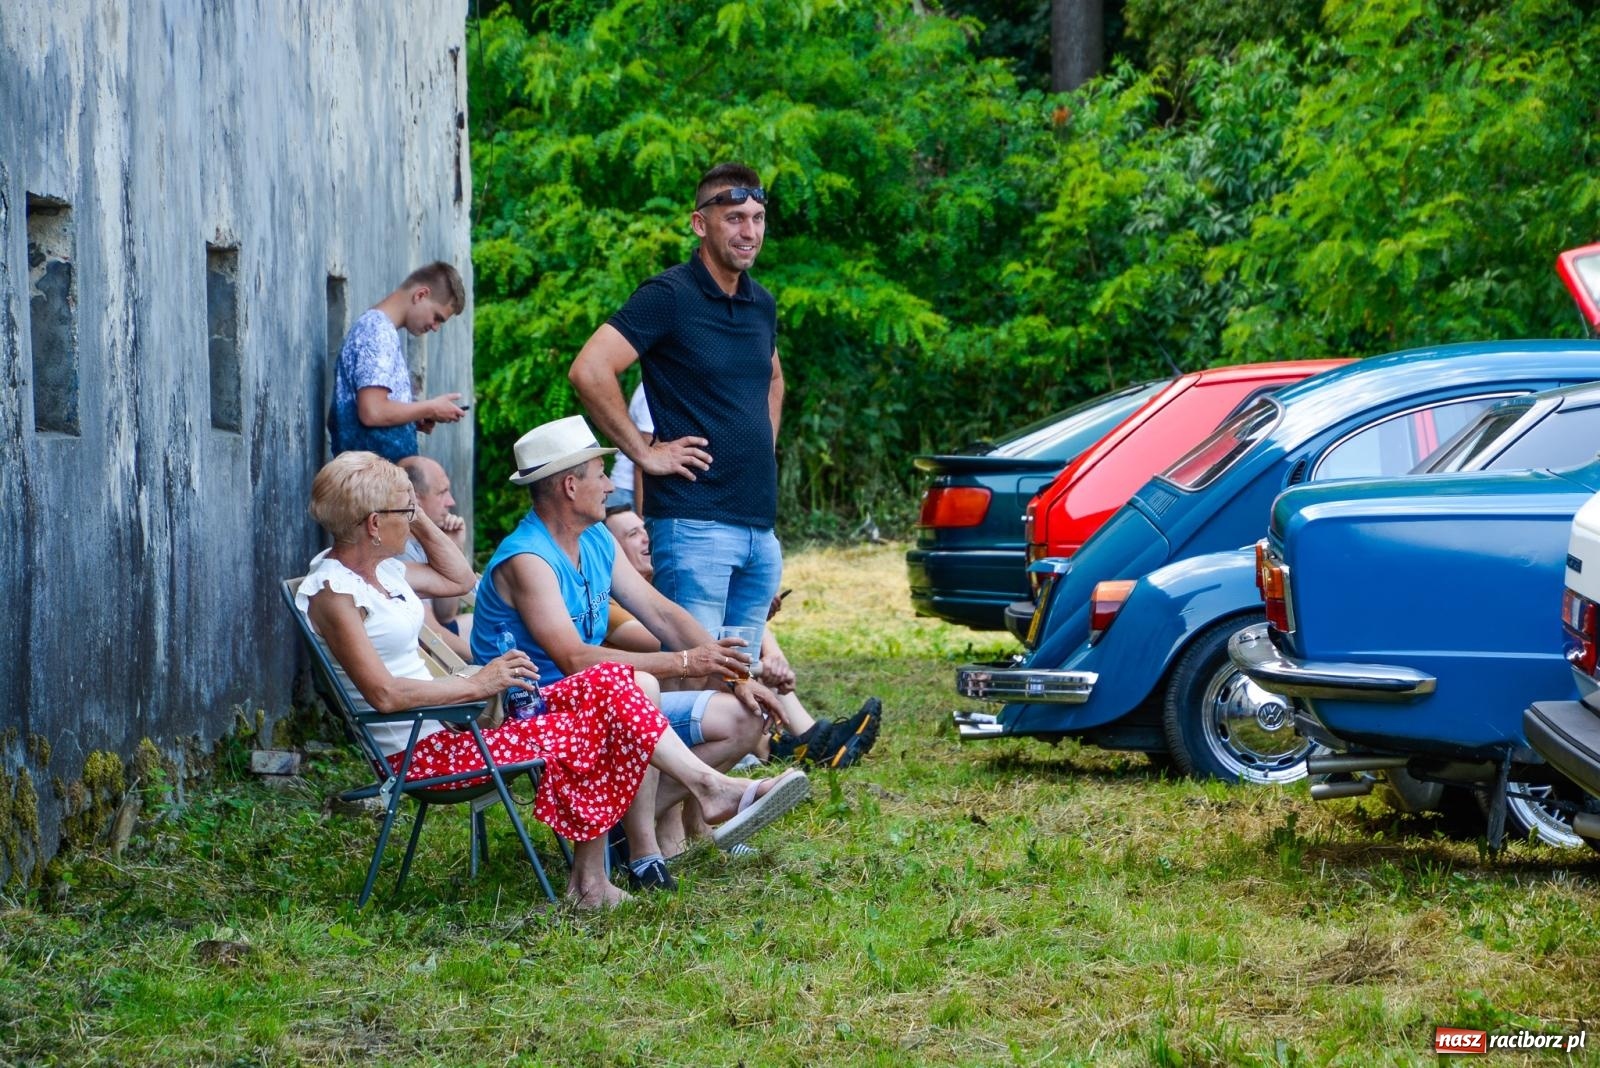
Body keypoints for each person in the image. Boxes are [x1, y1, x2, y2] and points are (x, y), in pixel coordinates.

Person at [298, 451, 809, 909]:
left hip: (456, 727)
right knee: (598, 712)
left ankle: (684, 810)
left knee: (611, 686)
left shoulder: (384, 572)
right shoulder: (334, 593)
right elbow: (384, 695)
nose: (410, 521)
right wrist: (479, 685)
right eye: (401, 514)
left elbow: (457, 579)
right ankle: (611, 867)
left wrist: (420, 518)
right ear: (372, 524)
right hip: (424, 748)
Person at [470, 416, 793, 878]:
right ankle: (655, 842)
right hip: (529, 712)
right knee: (638, 685)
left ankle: (629, 826)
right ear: (568, 485)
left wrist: (738, 676)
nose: (608, 485)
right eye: (601, 474)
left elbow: (660, 612)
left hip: (598, 702)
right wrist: (684, 661)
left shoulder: (596, 538)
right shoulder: (529, 558)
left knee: (743, 717)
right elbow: (573, 659)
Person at [569, 162, 783, 653]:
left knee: (741, 680)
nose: (749, 231)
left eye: (757, 217)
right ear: (699, 223)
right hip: (694, 525)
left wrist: (761, 449)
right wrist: (645, 455)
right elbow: (590, 369)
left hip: (759, 526)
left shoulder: (760, 303)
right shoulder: (668, 296)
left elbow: (772, 377)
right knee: (699, 678)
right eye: (733, 218)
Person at [603, 505, 881, 768]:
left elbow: (699, 636)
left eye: (644, 530)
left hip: (698, 678)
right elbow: (668, 642)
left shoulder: (660, 589)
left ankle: (805, 739)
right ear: (614, 551)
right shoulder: (613, 604)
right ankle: (787, 745)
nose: (646, 538)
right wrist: (754, 661)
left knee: (739, 654)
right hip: (664, 689)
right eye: (632, 534)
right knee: (733, 659)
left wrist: (772, 654)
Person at [329, 262, 470, 462]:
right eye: (437, 317)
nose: (436, 327)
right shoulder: (377, 331)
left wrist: (412, 418)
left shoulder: (380, 330)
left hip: (376, 479)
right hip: (371, 484)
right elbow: (372, 411)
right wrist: (430, 407)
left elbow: (368, 412)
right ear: (420, 295)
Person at [396, 455, 474, 661]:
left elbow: (445, 615)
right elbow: (431, 636)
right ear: (415, 500)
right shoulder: (398, 552)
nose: (452, 502)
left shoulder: (422, 543)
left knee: (477, 623)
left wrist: (453, 547)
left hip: (429, 641)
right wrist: (489, 663)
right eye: (442, 493)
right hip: (420, 655)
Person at [603, 382, 653, 513]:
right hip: (631, 492)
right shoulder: (655, 386)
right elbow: (642, 462)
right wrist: (642, 520)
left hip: (637, 491)